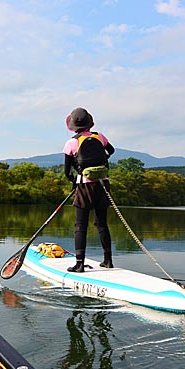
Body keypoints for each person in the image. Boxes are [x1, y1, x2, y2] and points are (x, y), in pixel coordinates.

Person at [63, 107, 115, 273]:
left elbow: (66, 171)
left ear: (73, 125)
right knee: (102, 224)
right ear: (89, 123)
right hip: (103, 184)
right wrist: (101, 161)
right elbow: (111, 151)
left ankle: (79, 264)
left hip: (84, 186)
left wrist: (75, 180)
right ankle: (108, 261)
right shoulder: (99, 136)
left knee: (80, 226)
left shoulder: (72, 142)